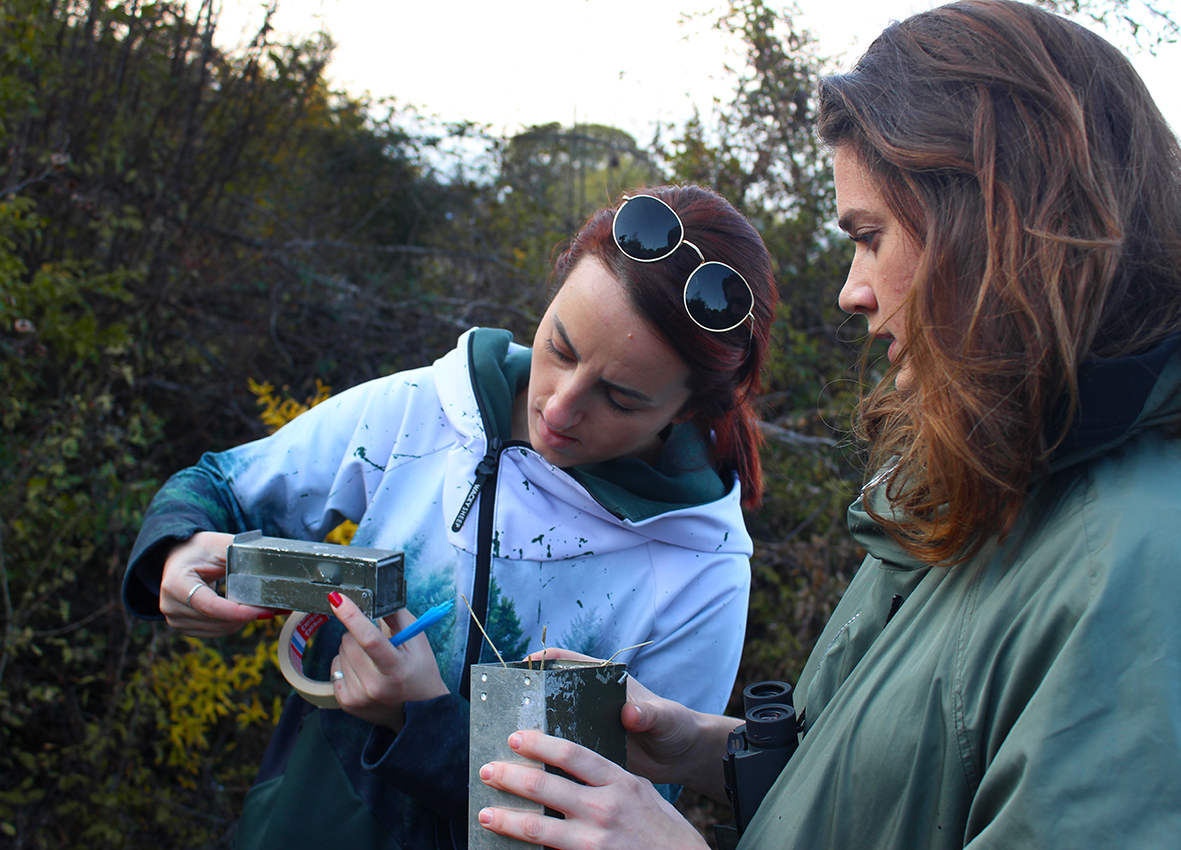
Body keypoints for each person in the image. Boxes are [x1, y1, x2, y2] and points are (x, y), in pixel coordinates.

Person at [475, 2, 1181, 848]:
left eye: (869, 235)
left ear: (994, 227)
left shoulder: (1140, 567)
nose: (851, 289)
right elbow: (899, 786)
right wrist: (708, 748)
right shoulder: (997, 481)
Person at [120, 184, 779, 848]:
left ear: (687, 409)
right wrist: (175, 553)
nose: (558, 409)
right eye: (560, 347)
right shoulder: (429, 410)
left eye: (620, 398)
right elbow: (221, 486)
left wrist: (423, 721)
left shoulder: (700, 573)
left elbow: (614, 825)